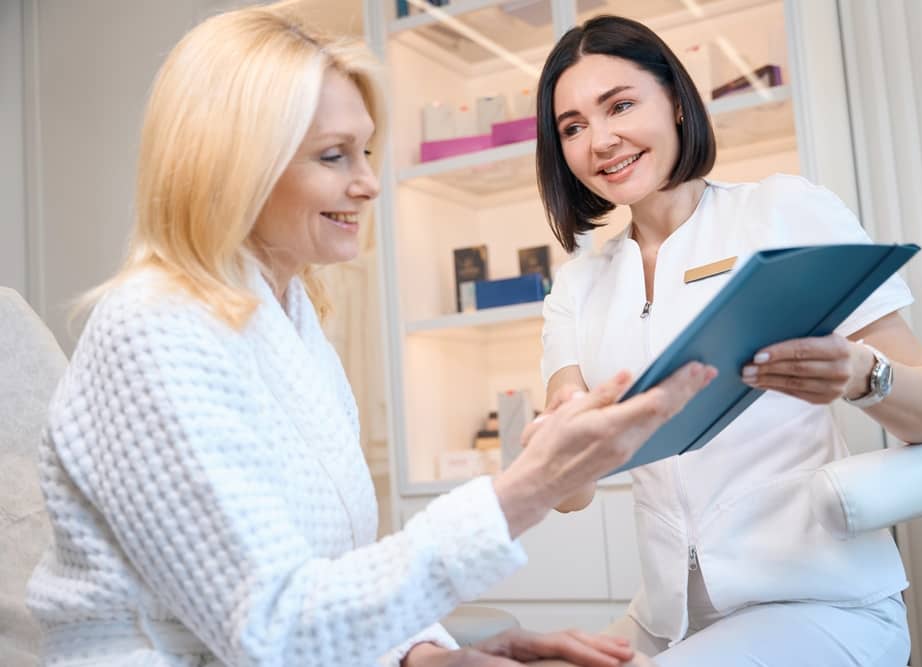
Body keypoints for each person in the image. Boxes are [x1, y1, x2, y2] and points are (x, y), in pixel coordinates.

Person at [24, 7, 717, 667]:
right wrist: (527, 490)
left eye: (366, 151)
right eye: (334, 155)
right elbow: (276, 631)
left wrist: (424, 652)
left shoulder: (289, 323)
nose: (366, 183)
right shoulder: (154, 328)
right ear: (235, 167)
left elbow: (334, 571)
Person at [534, 15, 922, 667]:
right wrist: (561, 445)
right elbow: (569, 494)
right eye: (572, 127)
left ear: (675, 101)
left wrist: (860, 373)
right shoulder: (578, 287)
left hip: (820, 602)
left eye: (620, 105)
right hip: (667, 621)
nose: (601, 140)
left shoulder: (782, 211)